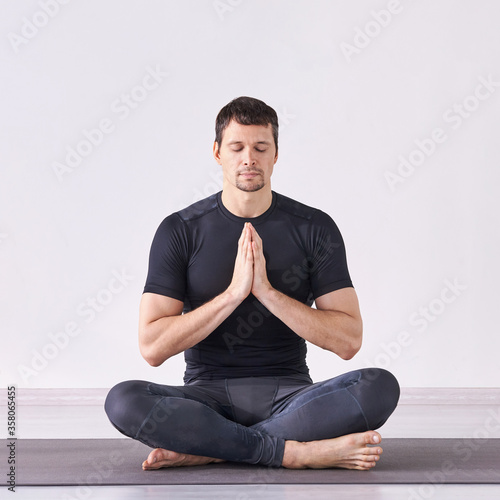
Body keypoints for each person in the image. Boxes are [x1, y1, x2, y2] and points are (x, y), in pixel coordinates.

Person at [105, 96, 400, 470]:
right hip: (205, 395)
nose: (249, 158)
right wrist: (232, 294)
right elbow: (152, 347)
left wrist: (267, 292)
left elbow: (348, 341)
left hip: (292, 396)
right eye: (237, 147)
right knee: (123, 400)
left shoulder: (314, 228)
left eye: (261, 147)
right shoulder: (180, 230)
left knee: (379, 386)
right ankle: (295, 453)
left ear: (276, 154)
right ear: (217, 153)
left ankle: (215, 448)